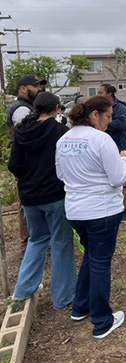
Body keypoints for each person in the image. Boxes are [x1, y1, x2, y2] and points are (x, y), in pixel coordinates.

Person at [55, 95, 126, 339]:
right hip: (102, 211)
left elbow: (60, 174)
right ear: (94, 115)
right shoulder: (101, 140)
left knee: (91, 256)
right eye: (107, 116)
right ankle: (101, 321)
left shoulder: (64, 139)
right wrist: (124, 161)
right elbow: (117, 178)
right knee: (100, 262)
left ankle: (80, 306)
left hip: (76, 210)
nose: (109, 121)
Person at [8, 92, 77, 310]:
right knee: (61, 243)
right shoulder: (59, 132)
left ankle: (23, 290)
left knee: (37, 240)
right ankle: (63, 297)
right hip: (55, 196)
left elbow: (13, 165)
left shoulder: (21, 131)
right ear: (57, 108)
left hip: (29, 197)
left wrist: (28, 178)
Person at [7, 74, 47, 255]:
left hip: (29, 162)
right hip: (26, 163)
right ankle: (29, 241)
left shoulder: (28, 107)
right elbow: (26, 137)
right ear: (23, 89)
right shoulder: (21, 110)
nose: (39, 89)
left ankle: (35, 239)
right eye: (35, 86)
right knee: (28, 202)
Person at [97, 84, 126, 223]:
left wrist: (102, 125)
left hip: (119, 149)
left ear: (109, 94)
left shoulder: (121, 108)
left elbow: (119, 125)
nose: (98, 94)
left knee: (123, 180)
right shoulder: (99, 109)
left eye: (101, 92)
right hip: (104, 148)